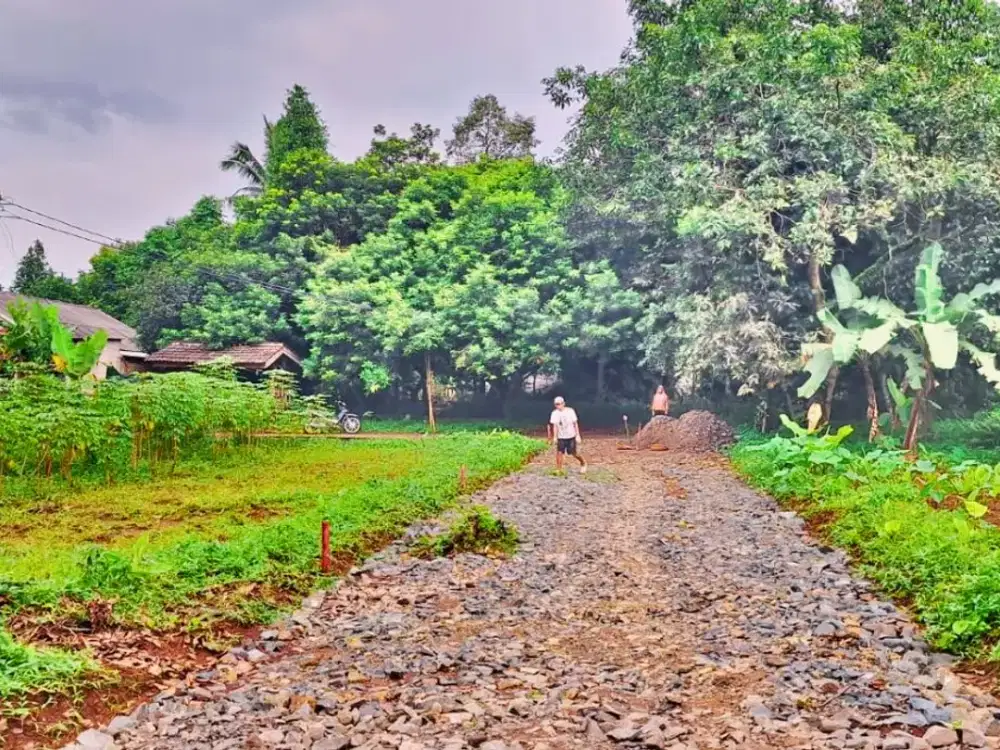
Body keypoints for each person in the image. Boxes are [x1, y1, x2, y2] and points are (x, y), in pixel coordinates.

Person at [548, 396, 587, 474]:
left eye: (559, 404)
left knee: (573, 452)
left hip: (571, 435)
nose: (558, 406)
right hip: (561, 437)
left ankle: (583, 462)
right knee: (559, 452)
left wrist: (578, 435)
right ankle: (558, 469)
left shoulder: (570, 411)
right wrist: (555, 437)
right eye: (556, 404)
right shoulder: (554, 413)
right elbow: (555, 426)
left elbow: (575, 423)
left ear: (563, 403)